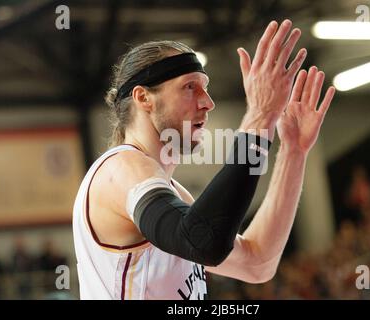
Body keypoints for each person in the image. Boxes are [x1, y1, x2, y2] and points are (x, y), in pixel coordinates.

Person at [72, 19, 335, 300]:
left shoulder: (173, 193)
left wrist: (293, 151)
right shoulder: (119, 169)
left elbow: (258, 263)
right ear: (144, 98)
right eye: (190, 87)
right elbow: (202, 242)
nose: (207, 102)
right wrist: (259, 116)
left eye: (205, 88)